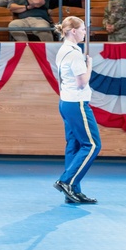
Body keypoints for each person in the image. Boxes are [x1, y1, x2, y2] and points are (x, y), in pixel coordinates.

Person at [52, 16, 99, 205]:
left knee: (74, 145)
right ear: (73, 31)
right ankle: (67, 182)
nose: (85, 33)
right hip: (77, 103)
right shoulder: (74, 53)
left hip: (66, 102)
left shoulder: (63, 50)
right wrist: (90, 66)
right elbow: (81, 82)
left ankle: (73, 192)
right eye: (83, 30)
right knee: (92, 145)